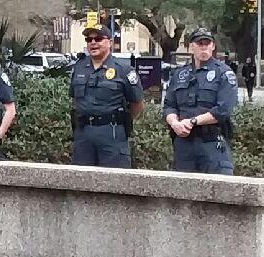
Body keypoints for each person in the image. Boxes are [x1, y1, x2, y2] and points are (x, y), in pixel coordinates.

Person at [67, 22, 144, 168]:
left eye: (98, 39)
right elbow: (75, 100)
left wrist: (118, 119)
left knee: (114, 182)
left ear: (109, 42)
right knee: (81, 181)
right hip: (83, 133)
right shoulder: (79, 67)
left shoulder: (124, 70)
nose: (93, 43)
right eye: (89, 40)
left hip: (112, 132)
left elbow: (137, 104)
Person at [163, 28, 239, 174]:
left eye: (207, 43)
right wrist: (175, 123)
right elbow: (169, 106)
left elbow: (223, 110)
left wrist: (193, 121)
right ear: (191, 46)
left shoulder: (223, 73)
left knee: (218, 192)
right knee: (181, 193)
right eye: (199, 43)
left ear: (213, 46)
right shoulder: (180, 74)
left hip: (211, 143)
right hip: (184, 144)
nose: (204, 47)